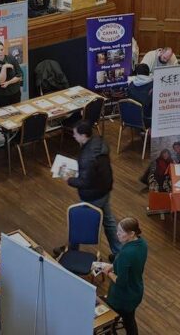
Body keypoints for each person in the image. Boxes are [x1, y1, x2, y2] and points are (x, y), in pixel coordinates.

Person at [64, 121, 121, 255]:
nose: (74, 136)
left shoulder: (88, 158)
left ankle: (72, 250)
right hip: (104, 188)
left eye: (75, 134)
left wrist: (69, 180)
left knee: (80, 220)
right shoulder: (98, 142)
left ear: (84, 136)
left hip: (93, 194)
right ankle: (118, 251)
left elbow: (85, 182)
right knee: (108, 220)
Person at [98, 217, 148, 335]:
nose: (117, 234)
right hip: (135, 292)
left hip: (122, 298)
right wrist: (113, 265)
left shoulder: (126, 254)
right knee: (129, 320)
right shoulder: (142, 244)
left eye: (120, 232)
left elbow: (121, 282)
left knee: (108, 321)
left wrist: (108, 272)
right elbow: (128, 265)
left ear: (131, 234)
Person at [0, 40, 23, 107]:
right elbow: (1, 81)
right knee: (4, 114)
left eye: (1, 49)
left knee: (16, 112)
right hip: (1, 95)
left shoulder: (11, 59)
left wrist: (8, 82)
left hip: (15, 92)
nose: (0, 52)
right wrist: (4, 67)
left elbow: (19, 75)